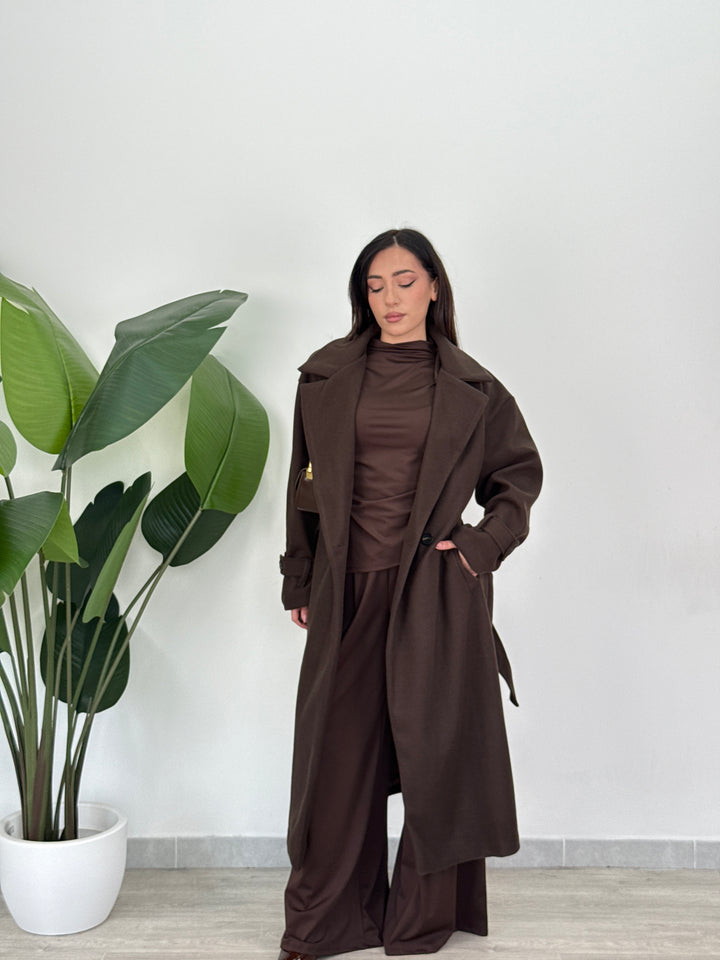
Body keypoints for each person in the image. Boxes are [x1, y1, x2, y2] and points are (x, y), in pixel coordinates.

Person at [278, 228, 543, 959]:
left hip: (433, 594)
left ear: (433, 286)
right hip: (346, 590)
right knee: (336, 761)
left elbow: (518, 479)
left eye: (403, 281)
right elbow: (303, 488)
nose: (389, 299)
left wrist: (479, 549)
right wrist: (299, 576)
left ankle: (421, 920)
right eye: (374, 286)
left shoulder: (475, 389)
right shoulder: (325, 376)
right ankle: (324, 922)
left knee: (435, 758)